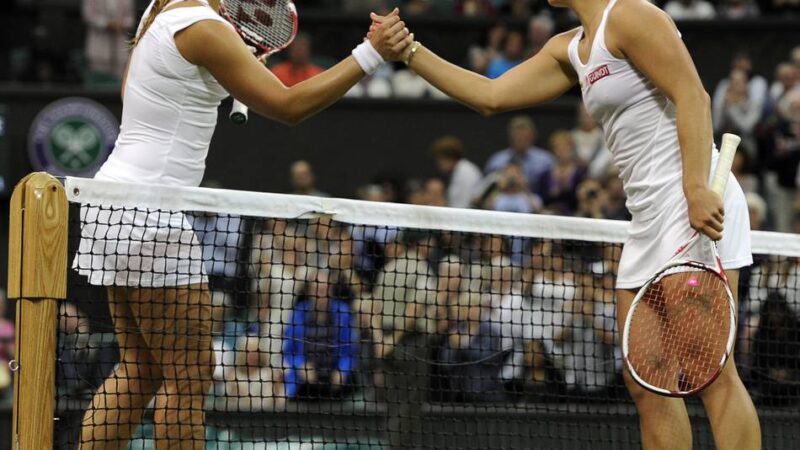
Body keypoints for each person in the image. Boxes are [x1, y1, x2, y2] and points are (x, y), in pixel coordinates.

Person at [373, 0, 760, 447]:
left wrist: (695, 188)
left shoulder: (632, 15)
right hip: (648, 216)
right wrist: (410, 52)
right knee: (646, 379)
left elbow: (693, 94)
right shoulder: (569, 49)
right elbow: (490, 96)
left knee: (708, 368)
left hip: (692, 196)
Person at [72, 0, 412, 447]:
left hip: (113, 201)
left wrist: (233, 65)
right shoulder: (206, 29)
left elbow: (140, 90)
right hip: (152, 212)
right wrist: (370, 53)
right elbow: (289, 106)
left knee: (140, 366)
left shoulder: (163, 6)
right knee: (189, 378)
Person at [484, 115, 555, 196]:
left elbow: (551, 188)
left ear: (533, 136)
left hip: (536, 202)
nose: (521, 139)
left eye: (525, 136)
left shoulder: (546, 160)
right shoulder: (497, 160)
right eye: (518, 136)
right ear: (510, 136)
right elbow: (487, 186)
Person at [430, 136, 483, 208]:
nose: (439, 164)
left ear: (448, 157)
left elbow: (465, 205)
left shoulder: (466, 172)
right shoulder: (458, 172)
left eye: (440, 160)